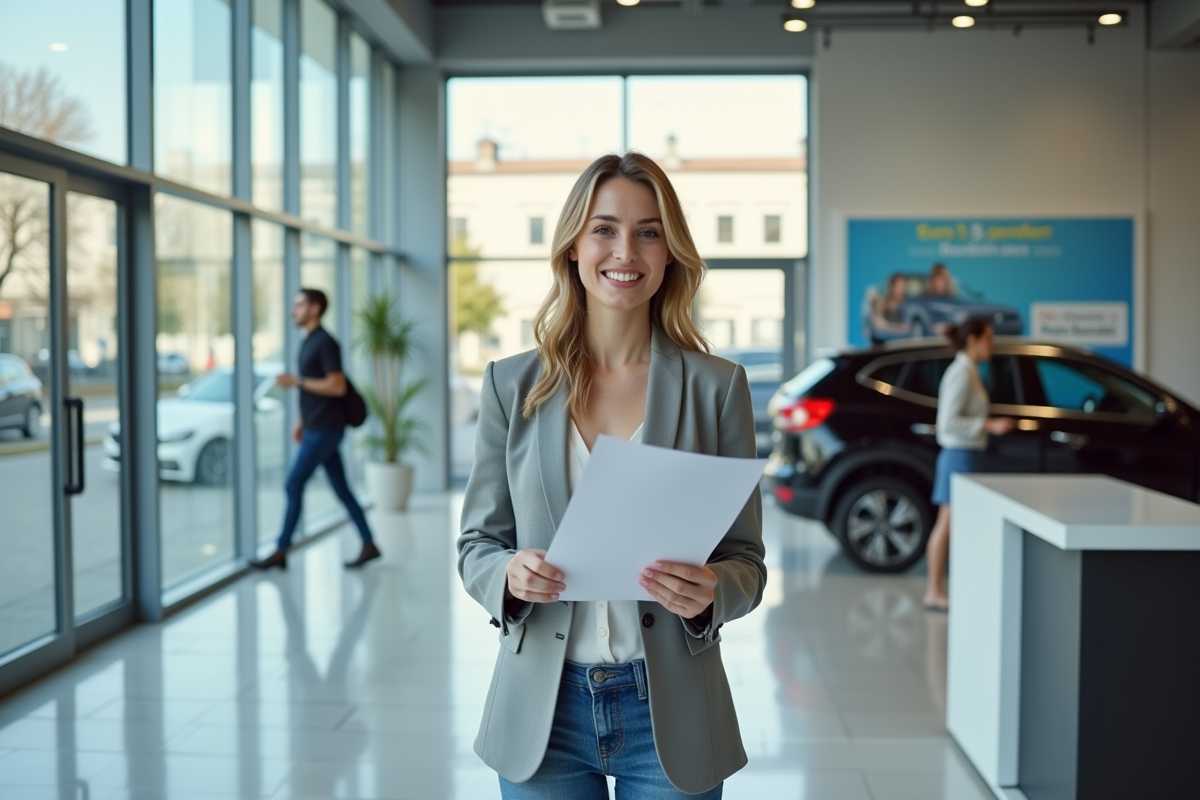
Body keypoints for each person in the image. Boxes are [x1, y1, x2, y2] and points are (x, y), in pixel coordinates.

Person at [457, 153, 766, 799]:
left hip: (673, 706)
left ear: (670, 251)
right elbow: (477, 546)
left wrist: (714, 591)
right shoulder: (510, 385)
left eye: (649, 231)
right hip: (543, 709)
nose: (626, 250)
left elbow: (747, 561)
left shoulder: (718, 388)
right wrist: (507, 577)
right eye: (604, 228)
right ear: (573, 245)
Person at [252, 288, 380, 570]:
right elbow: (314, 389)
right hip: (316, 426)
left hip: (325, 429)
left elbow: (337, 385)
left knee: (293, 483)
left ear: (315, 308)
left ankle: (281, 550)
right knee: (343, 490)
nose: (292, 310)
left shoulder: (325, 342)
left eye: (299, 304)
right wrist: (301, 420)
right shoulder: (309, 341)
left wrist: (296, 381)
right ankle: (369, 543)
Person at [923, 318, 1014, 611]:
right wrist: (988, 425)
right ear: (972, 339)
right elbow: (946, 423)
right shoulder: (961, 373)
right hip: (959, 454)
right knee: (946, 524)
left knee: (955, 524)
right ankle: (934, 590)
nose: (992, 345)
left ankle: (942, 587)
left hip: (969, 455)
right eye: (988, 338)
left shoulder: (971, 371)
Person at [871, 272, 911, 337]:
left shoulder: (907, 306)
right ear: (891, 287)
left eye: (904, 286)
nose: (902, 290)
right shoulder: (882, 304)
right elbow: (878, 324)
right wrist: (896, 328)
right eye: (899, 286)